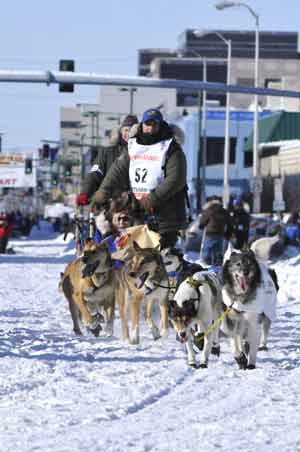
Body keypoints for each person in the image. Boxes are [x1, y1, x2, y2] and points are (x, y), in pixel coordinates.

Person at [91, 108, 188, 249]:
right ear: (142, 124)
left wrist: (152, 199)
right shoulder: (134, 145)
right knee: (136, 258)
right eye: (148, 123)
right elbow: (117, 170)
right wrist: (103, 191)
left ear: (161, 125)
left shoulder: (171, 148)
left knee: (161, 258)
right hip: (139, 213)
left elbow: (176, 180)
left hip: (166, 216)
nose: (151, 127)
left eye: (155, 124)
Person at [76, 114, 139, 206]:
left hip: (135, 203)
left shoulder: (143, 152)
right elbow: (95, 173)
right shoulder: (107, 153)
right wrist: (85, 192)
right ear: (121, 132)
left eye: (132, 130)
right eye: (126, 130)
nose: (129, 133)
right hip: (110, 202)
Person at [199, 196, 233, 266]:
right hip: (220, 234)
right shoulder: (225, 212)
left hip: (209, 233)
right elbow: (230, 224)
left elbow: (203, 222)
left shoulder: (209, 210)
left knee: (207, 251)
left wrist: (201, 226)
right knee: (217, 251)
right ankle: (217, 265)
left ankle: (206, 265)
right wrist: (228, 234)